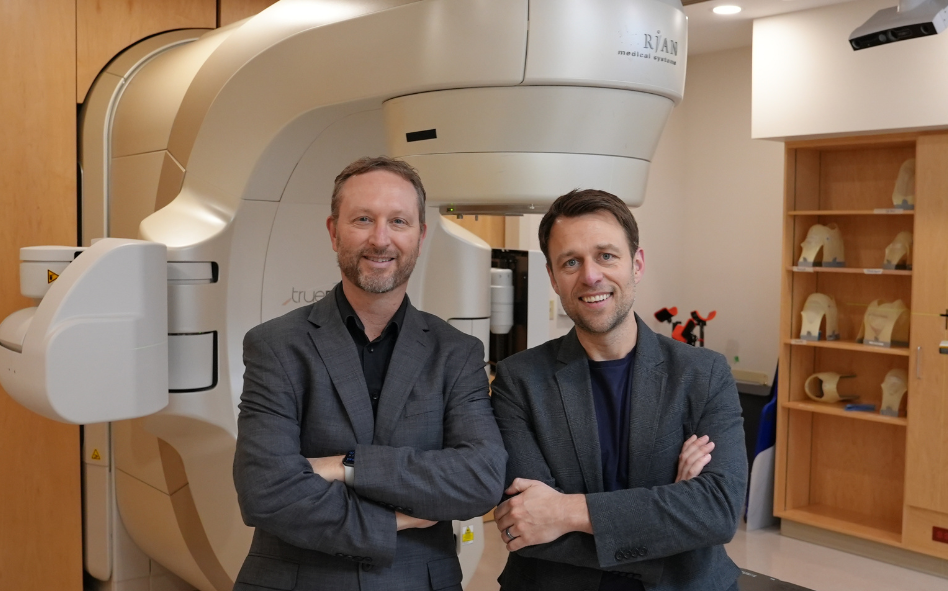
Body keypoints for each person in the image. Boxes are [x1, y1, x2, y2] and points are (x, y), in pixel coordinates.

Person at [233, 156, 507, 591]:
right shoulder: (276, 346)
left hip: (419, 580)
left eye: (398, 221)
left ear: (420, 236)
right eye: (363, 219)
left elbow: (480, 480)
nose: (381, 239)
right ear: (333, 231)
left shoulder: (456, 353)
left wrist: (348, 466)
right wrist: (398, 520)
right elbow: (265, 491)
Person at [490, 189, 747, 591]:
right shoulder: (517, 380)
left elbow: (718, 511)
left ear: (637, 264)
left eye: (606, 256)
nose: (590, 276)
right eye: (571, 262)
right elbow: (525, 523)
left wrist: (565, 510)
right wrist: (672, 516)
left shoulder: (703, 374)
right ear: (553, 278)